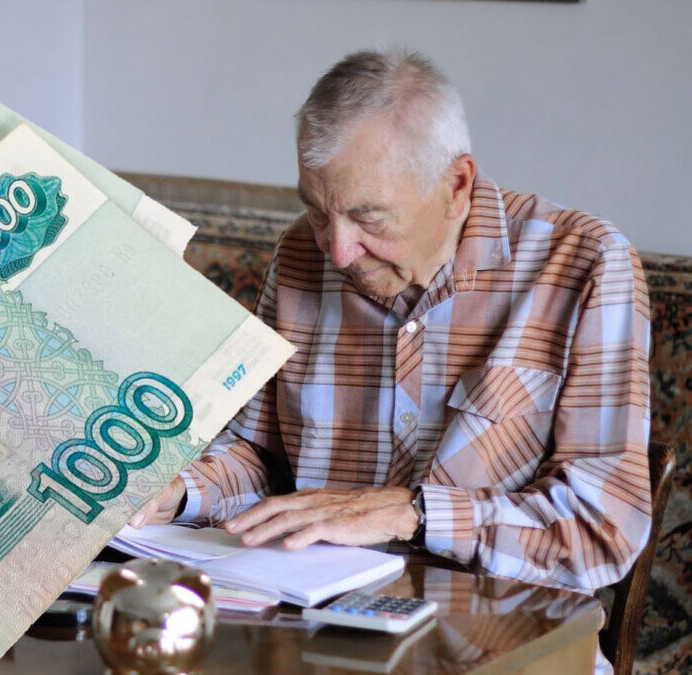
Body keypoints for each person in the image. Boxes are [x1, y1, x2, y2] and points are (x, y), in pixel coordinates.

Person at [133, 49, 652, 597]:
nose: (337, 251)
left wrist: (412, 514)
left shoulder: (585, 265)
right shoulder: (301, 255)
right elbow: (260, 455)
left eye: (369, 218)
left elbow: (602, 530)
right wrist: (180, 491)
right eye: (317, 211)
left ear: (456, 186)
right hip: (315, 611)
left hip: (494, 625)